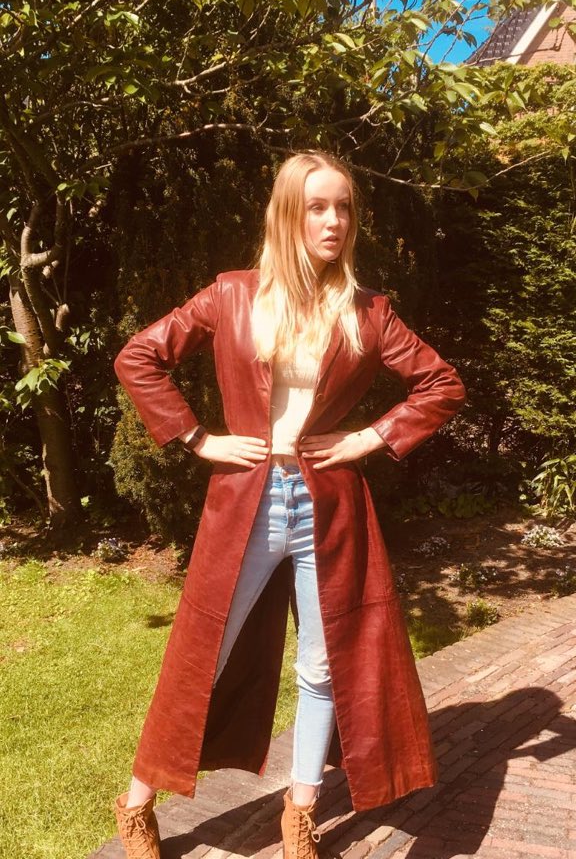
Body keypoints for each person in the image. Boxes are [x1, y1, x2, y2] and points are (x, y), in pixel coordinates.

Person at [112, 151, 466, 859]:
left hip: (328, 506)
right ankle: (136, 802)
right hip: (246, 501)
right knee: (201, 656)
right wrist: (198, 438)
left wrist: (367, 437)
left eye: (345, 207)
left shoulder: (368, 311)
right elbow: (139, 357)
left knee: (324, 665)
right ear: (286, 215)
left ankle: (299, 812)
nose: (335, 221)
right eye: (318, 207)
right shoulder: (232, 295)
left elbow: (442, 384)